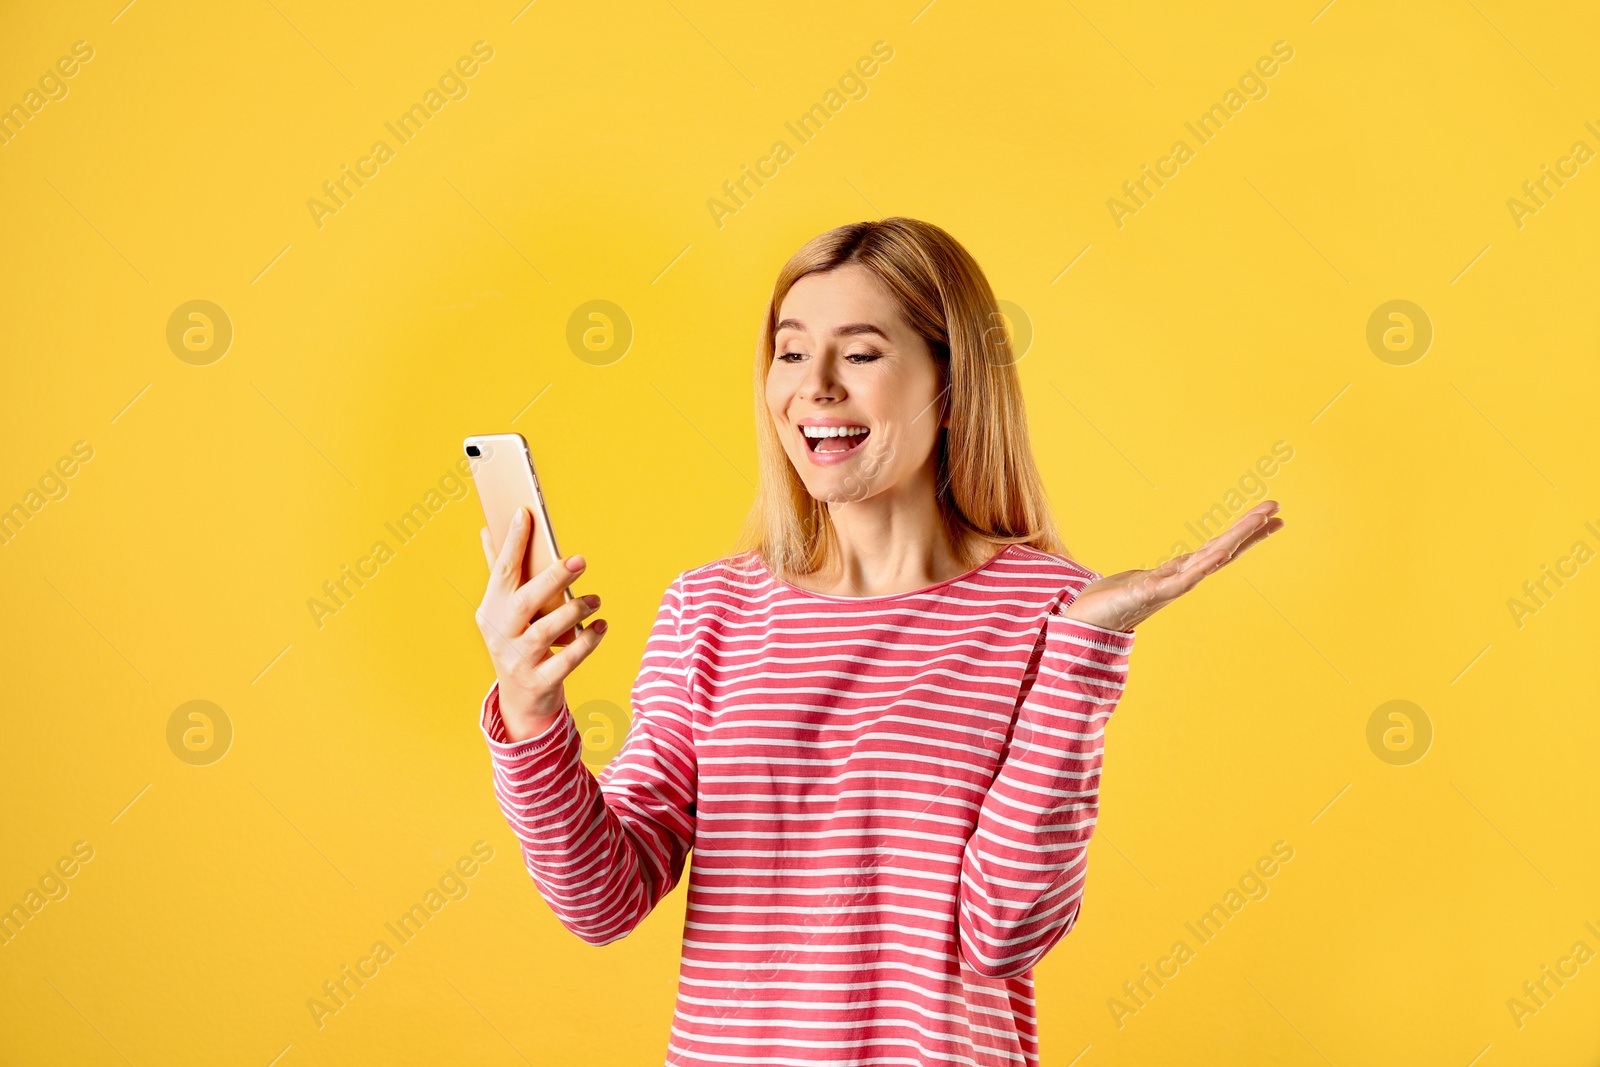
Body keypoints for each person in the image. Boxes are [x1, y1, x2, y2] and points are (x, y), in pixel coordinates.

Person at [471, 217, 1284, 1066]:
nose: (814, 387)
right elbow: (603, 898)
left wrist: (1087, 643)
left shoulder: (1044, 610)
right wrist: (532, 714)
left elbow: (1005, 931)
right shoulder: (710, 609)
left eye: (859, 355)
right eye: (790, 353)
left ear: (950, 376)